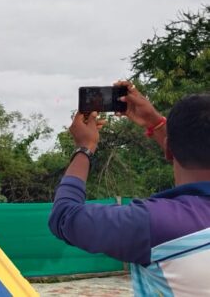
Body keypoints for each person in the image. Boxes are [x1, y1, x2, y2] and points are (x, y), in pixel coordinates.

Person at [49, 83, 210, 295]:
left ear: (169, 150)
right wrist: (155, 122)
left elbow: (64, 216)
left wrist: (84, 148)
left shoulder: (152, 224)